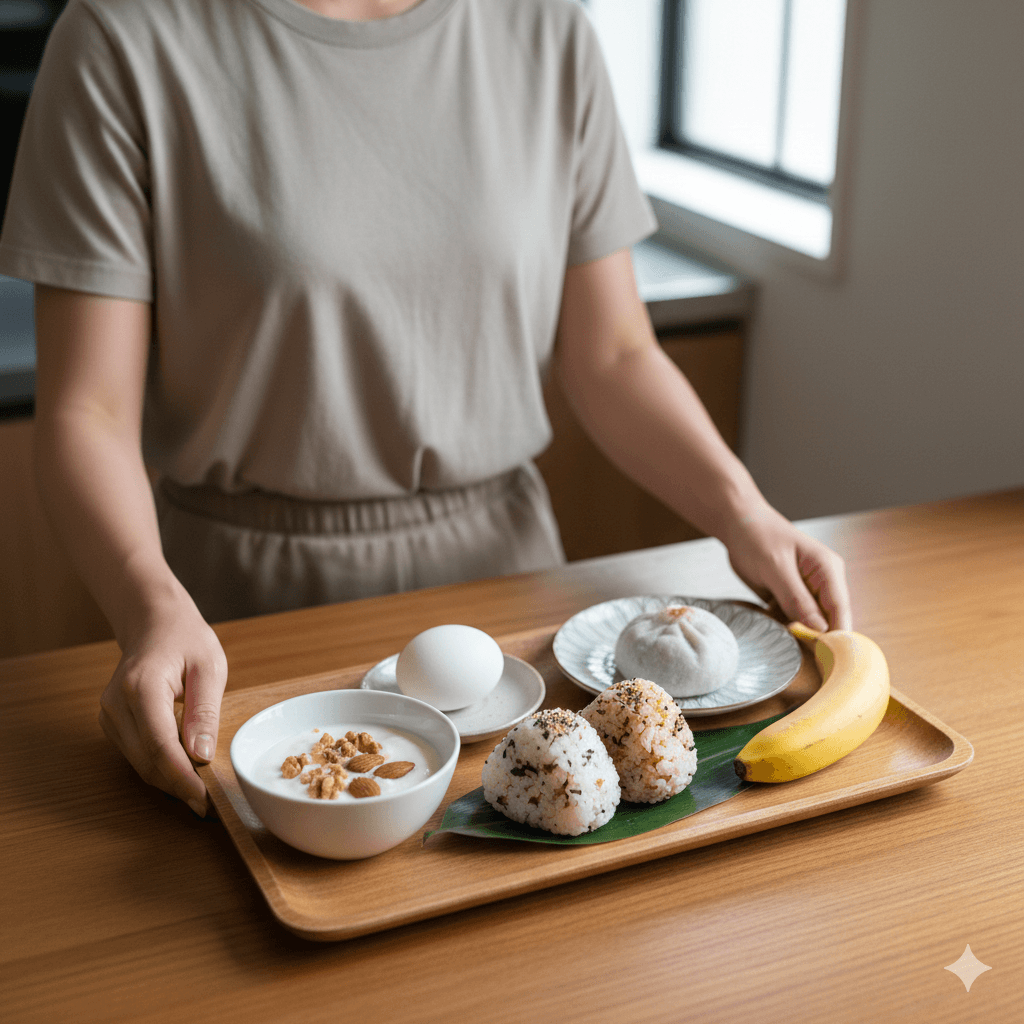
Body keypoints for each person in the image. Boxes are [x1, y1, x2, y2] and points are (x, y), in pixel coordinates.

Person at [0, 0, 850, 819]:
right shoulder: (121, 35)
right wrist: (148, 604)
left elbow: (614, 355)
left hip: (511, 609)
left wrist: (743, 512)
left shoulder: (550, 30)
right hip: (243, 621)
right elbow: (89, 411)